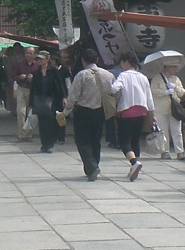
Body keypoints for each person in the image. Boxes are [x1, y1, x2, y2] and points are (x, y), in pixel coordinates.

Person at [63, 48, 114, 181]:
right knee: (96, 140)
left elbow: (73, 95)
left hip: (83, 111)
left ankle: (91, 166)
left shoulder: (82, 75)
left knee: (82, 140)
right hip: (100, 111)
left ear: (83, 61)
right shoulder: (108, 75)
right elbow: (113, 92)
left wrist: (66, 111)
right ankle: (94, 165)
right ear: (97, 59)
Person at [111, 52, 154, 182]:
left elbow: (114, 89)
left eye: (122, 63)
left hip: (127, 110)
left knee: (123, 141)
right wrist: (152, 113)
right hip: (141, 111)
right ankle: (134, 165)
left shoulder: (123, 76)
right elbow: (149, 96)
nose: (121, 65)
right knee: (135, 140)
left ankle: (134, 162)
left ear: (126, 62)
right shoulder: (143, 77)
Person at [30, 51, 67, 153]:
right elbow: (33, 88)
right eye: (38, 59)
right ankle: (44, 144)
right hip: (40, 100)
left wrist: (64, 97)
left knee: (50, 122)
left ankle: (50, 143)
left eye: (42, 59)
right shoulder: (36, 73)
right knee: (42, 122)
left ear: (47, 59)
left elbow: (60, 84)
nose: (39, 61)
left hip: (52, 99)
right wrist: (31, 103)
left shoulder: (54, 71)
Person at [150, 63, 185, 160]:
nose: (175, 69)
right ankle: (165, 151)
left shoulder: (176, 79)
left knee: (177, 131)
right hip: (160, 108)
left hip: (174, 109)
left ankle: (180, 151)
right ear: (167, 67)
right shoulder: (157, 78)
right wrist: (165, 92)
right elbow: (153, 90)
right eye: (173, 67)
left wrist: (175, 87)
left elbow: (182, 92)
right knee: (163, 130)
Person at [12, 46, 38, 141]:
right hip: (22, 89)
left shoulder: (37, 65)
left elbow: (40, 77)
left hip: (32, 90)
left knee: (30, 113)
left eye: (31, 53)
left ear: (34, 55)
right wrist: (20, 77)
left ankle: (28, 134)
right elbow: (13, 76)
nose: (28, 55)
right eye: (27, 53)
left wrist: (33, 78)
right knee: (21, 112)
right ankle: (21, 134)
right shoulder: (20, 64)